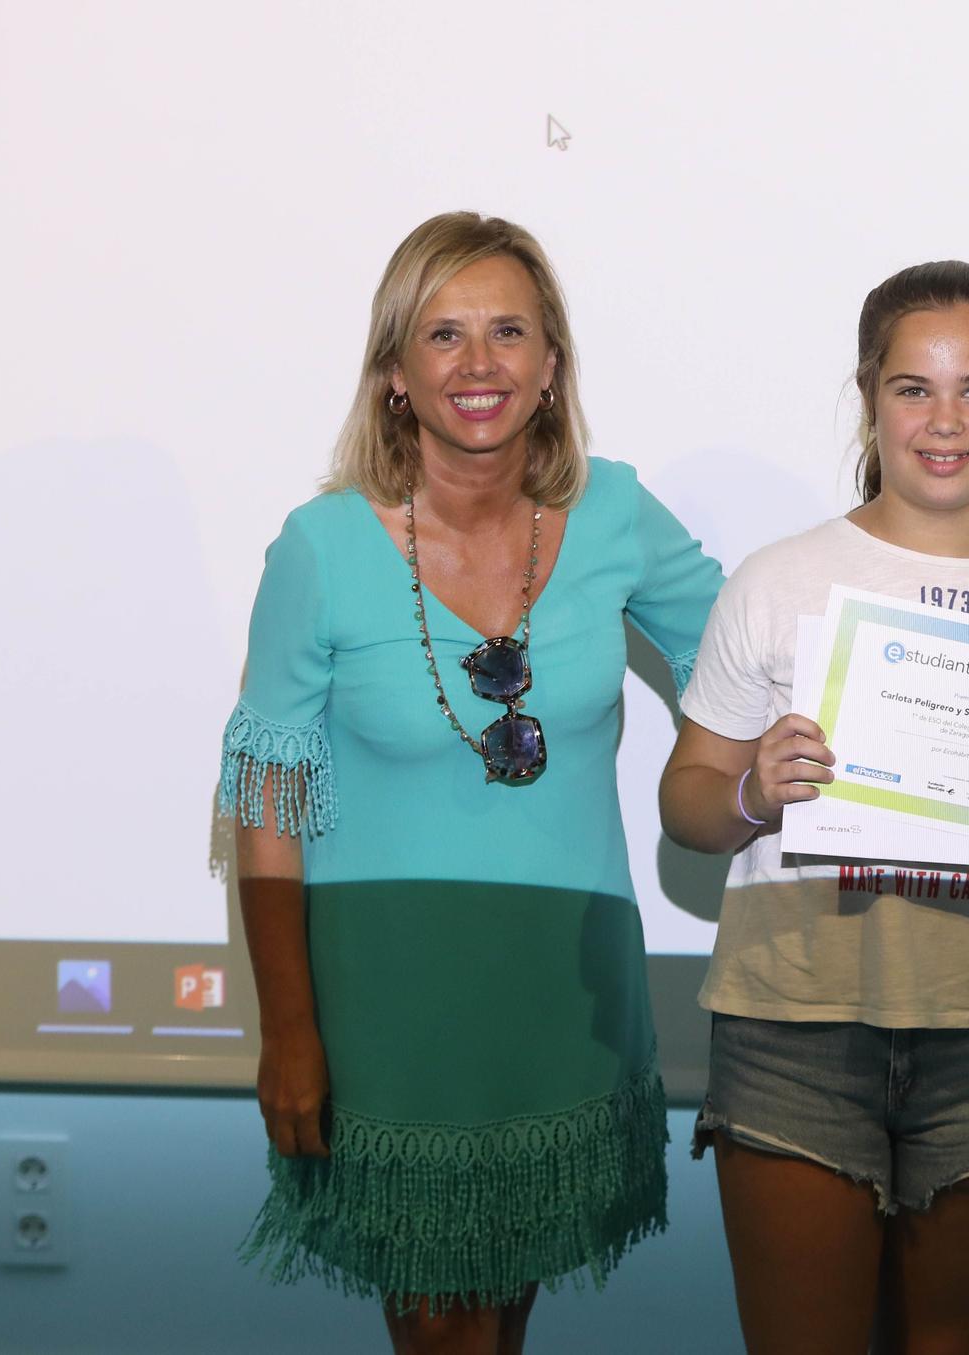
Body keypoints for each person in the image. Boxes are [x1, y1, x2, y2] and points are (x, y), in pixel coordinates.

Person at [218, 211, 726, 1353]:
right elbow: (264, 804)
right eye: (443, 334)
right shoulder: (321, 546)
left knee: (497, 1322)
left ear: (551, 365)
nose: (479, 363)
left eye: (508, 330)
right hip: (387, 995)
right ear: (396, 373)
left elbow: (754, 639)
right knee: (446, 1326)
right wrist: (288, 1033)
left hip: (565, 985)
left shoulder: (617, 514)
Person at [657, 261, 969, 1355]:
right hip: (793, 1025)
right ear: (868, 396)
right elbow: (686, 803)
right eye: (912, 388)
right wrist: (752, 789)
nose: (944, 420)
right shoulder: (779, 577)